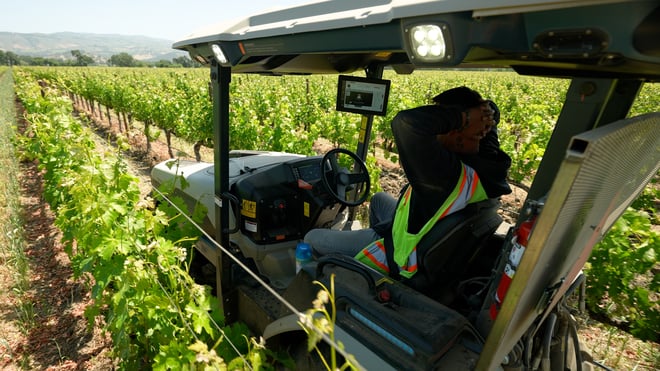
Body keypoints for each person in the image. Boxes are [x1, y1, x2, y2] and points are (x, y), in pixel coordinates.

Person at [304, 86, 512, 278]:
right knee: (378, 199)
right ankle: (378, 232)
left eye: (443, 124)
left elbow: (406, 123)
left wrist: (464, 117)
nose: (437, 134)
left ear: (457, 129)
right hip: (419, 231)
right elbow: (490, 119)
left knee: (311, 237)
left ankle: (371, 246)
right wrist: (482, 113)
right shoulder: (486, 162)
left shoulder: (444, 174)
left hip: (397, 256)